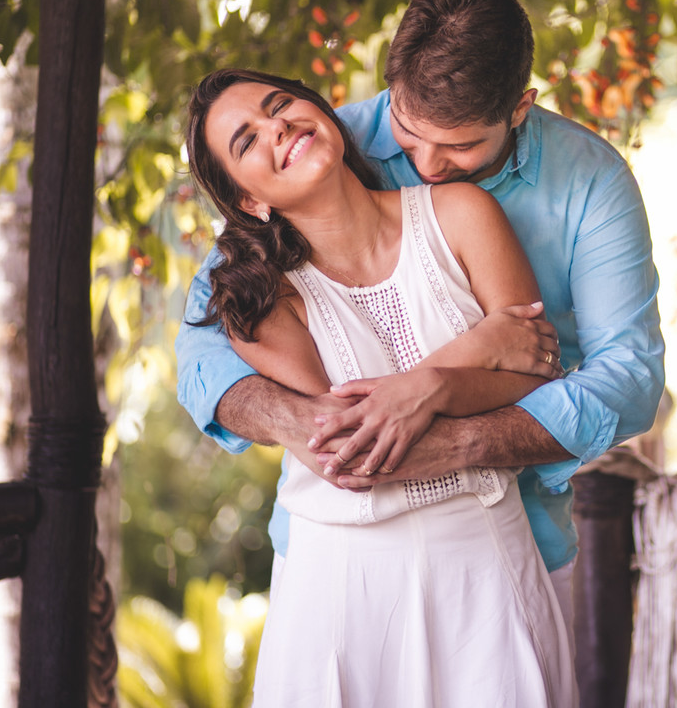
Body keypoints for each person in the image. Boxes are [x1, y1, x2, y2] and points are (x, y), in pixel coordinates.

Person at [175, 0, 665, 633]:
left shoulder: (591, 184)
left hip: (517, 542)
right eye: (408, 134)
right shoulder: (316, 147)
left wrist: (454, 438)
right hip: (339, 551)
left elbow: (628, 379)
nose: (429, 165)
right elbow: (205, 342)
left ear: (520, 107)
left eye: (461, 145)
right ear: (391, 85)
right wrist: (307, 426)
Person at [185, 67, 577, 705]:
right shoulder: (257, 301)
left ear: (323, 113)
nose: (278, 127)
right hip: (343, 587)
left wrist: (428, 391)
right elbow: (350, 445)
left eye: (281, 106)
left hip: (486, 567)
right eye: (248, 141)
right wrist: (480, 350)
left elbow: (536, 373)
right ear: (250, 201)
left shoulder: (461, 213)